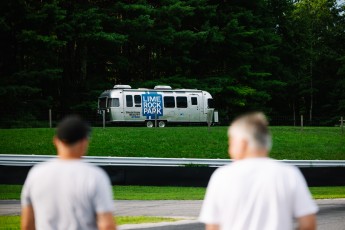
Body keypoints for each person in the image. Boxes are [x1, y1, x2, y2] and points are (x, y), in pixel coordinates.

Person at [199, 112, 318, 230]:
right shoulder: (289, 174)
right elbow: (308, 224)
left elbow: (213, 227)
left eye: (231, 142)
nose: (229, 149)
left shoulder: (222, 176)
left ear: (243, 143)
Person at [21, 115, 116, 230]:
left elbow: (27, 224)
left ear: (56, 141)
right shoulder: (95, 176)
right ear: (84, 142)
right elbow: (107, 225)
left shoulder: (35, 174)